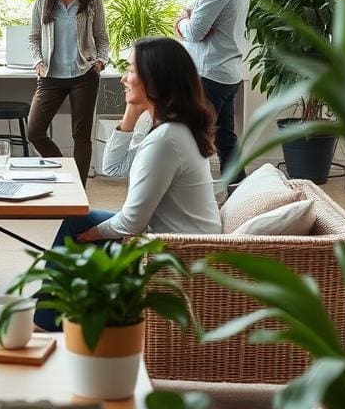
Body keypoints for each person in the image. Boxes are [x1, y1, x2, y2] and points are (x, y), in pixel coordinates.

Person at [34, 37, 221, 331]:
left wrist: (91, 235)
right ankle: (51, 313)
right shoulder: (167, 127)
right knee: (77, 220)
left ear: (153, 79)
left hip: (175, 250)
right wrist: (132, 112)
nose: (123, 78)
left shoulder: (166, 140)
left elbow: (131, 222)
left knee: (79, 229)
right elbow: (113, 167)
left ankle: (48, 320)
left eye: (131, 70)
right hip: (173, 238)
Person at [26, 0, 109, 184]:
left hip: (84, 74)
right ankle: (68, 174)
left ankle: (79, 190)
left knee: (81, 137)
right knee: (34, 132)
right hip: (51, 76)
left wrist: (101, 60)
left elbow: (102, 36)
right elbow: (33, 37)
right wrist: (38, 61)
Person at [175, 0, 249, 181]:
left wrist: (180, 21)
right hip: (226, 73)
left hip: (210, 74)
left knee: (194, 138)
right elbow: (202, 29)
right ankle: (238, 190)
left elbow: (195, 31)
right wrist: (193, 21)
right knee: (225, 137)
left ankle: (195, 197)